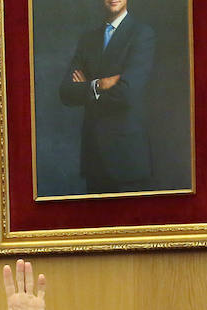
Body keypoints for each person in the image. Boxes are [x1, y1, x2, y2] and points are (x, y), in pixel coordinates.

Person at [57, 0, 156, 194]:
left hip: (127, 159)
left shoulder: (142, 34)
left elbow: (127, 93)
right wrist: (99, 84)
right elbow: (66, 92)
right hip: (94, 158)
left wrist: (86, 88)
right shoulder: (88, 40)